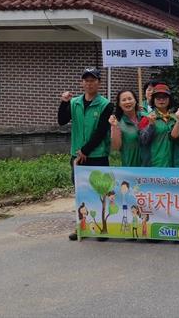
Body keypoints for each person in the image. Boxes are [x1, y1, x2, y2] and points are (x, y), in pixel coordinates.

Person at [58, 67, 113, 241]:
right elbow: (62, 121)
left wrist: (85, 150)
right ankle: (81, 226)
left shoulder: (106, 104)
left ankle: (102, 228)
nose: (89, 83)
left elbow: (101, 131)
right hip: (77, 155)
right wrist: (64, 103)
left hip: (98, 155)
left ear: (99, 83)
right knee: (81, 192)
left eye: (93, 80)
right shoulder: (74, 102)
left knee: (100, 193)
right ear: (82, 83)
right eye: (86, 80)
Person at [139, 84, 177, 167]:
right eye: (158, 97)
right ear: (153, 100)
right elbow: (143, 141)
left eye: (164, 97)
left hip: (172, 165)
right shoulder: (147, 118)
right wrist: (151, 125)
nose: (161, 100)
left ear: (169, 99)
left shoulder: (174, 118)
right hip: (154, 165)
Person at [108, 90, 146, 167]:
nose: (127, 102)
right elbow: (115, 148)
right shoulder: (117, 122)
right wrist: (115, 127)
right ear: (119, 104)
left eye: (130, 99)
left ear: (135, 101)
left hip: (149, 166)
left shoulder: (145, 117)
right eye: (124, 100)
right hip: (130, 166)